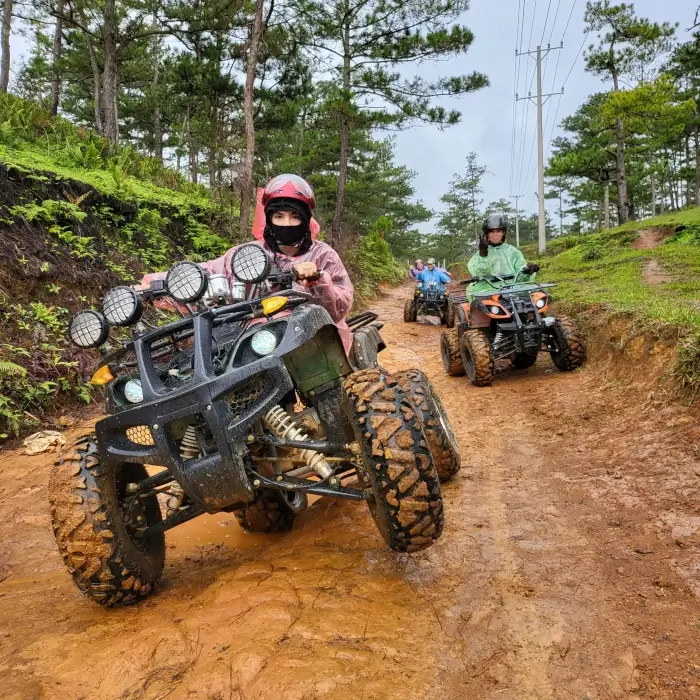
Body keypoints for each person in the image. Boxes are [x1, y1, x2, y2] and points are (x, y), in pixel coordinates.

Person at [138, 174, 355, 353]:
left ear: (305, 220)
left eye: (294, 217)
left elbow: (339, 307)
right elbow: (210, 271)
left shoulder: (323, 254)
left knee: (330, 386)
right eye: (279, 216)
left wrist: (317, 279)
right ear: (269, 219)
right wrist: (156, 285)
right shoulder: (250, 254)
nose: (286, 223)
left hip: (312, 339)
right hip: (254, 337)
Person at [467, 214, 539, 292]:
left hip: (512, 289)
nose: (495, 234)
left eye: (498, 231)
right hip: (488, 291)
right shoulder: (479, 255)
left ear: (503, 232)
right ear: (486, 234)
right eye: (491, 231)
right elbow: (480, 275)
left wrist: (528, 271)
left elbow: (521, 275)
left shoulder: (512, 251)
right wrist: (483, 254)